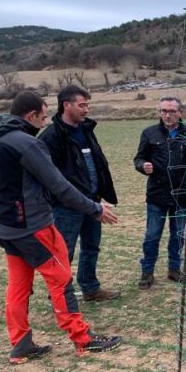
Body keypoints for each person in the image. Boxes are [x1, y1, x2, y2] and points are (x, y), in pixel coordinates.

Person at [0, 91, 122, 363]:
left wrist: (3, 214)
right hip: (35, 228)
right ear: (30, 115)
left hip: (4, 228)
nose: (44, 122)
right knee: (61, 279)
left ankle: (21, 344)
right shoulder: (27, 144)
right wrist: (95, 208)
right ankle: (82, 339)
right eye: (42, 117)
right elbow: (61, 187)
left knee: (18, 286)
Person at [39, 85, 120, 302]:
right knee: (64, 251)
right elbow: (50, 178)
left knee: (91, 246)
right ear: (66, 105)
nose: (86, 109)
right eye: (82, 105)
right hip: (67, 207)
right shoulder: (50, 138)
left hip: (93, 202)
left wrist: (100, 192)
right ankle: (59, 294)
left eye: (87, 105)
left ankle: (91, 289)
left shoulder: (86, 130)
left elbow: (97, 164)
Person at [133, 97, 186, 289]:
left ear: (181, 112)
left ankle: (174, 269)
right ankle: (147, 272)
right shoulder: (149, 133)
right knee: (152, 235)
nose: (167, 115)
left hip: (182, 196)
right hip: (157, 195)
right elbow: (139, 158)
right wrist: (143, 166)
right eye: (163, 111)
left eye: (171, 111)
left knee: (178, 235)